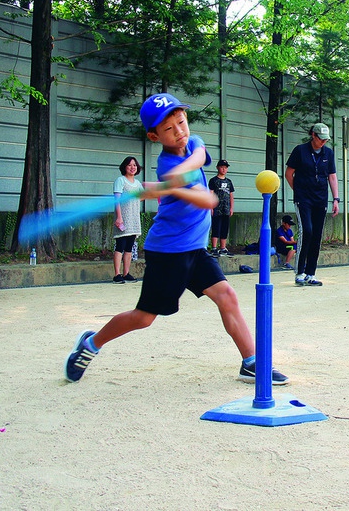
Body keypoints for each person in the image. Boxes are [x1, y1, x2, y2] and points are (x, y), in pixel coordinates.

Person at [64, 93, 288, 386]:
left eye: (182, 122)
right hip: (168, 251)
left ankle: (251, 362)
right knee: (144, 318)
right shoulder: (165, 165)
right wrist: (172, 183)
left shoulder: (190, 146)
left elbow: (197, 156)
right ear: (154, 136)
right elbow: (206, 199)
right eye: (170, 129)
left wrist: (170, 182)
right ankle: (91, 343)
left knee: (227, 296)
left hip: (194, 249)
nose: (180, 131)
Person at [285, 122, 340, 287]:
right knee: (306, 231)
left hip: (320, 198)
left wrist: (336, 199)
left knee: (316, 235)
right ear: (313, 135)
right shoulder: (300, 151)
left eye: (325, 139)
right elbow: (289, 173)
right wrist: (299, 190)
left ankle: (311, 273)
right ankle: (299, 272)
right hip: (304, 199)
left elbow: (332, 176)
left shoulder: (328, 153)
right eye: (321, 139)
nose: (323, 142)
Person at [113, 156, 142, 284]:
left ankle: (126, 273)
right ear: (125, 167)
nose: (132, 167)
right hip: (123, 218)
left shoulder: (137, 183)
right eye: (129, 165)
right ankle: (117, 274)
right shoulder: (120, 180)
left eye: (134, 165)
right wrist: (119, 217)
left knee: (130, 247)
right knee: (120, 245)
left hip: (134, 219)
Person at [208, 160, 235, 256]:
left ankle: (223, 248)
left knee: (225, 228)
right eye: (222, 167)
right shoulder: (213, 181)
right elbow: (210, 194)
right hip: (216, 208)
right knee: (216, 227)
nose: (224, 169)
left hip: (226, 208)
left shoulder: (229, 182)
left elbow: (231, 195)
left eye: (225, 167)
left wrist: (231, 207)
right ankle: (214, 248)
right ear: (217, 168)